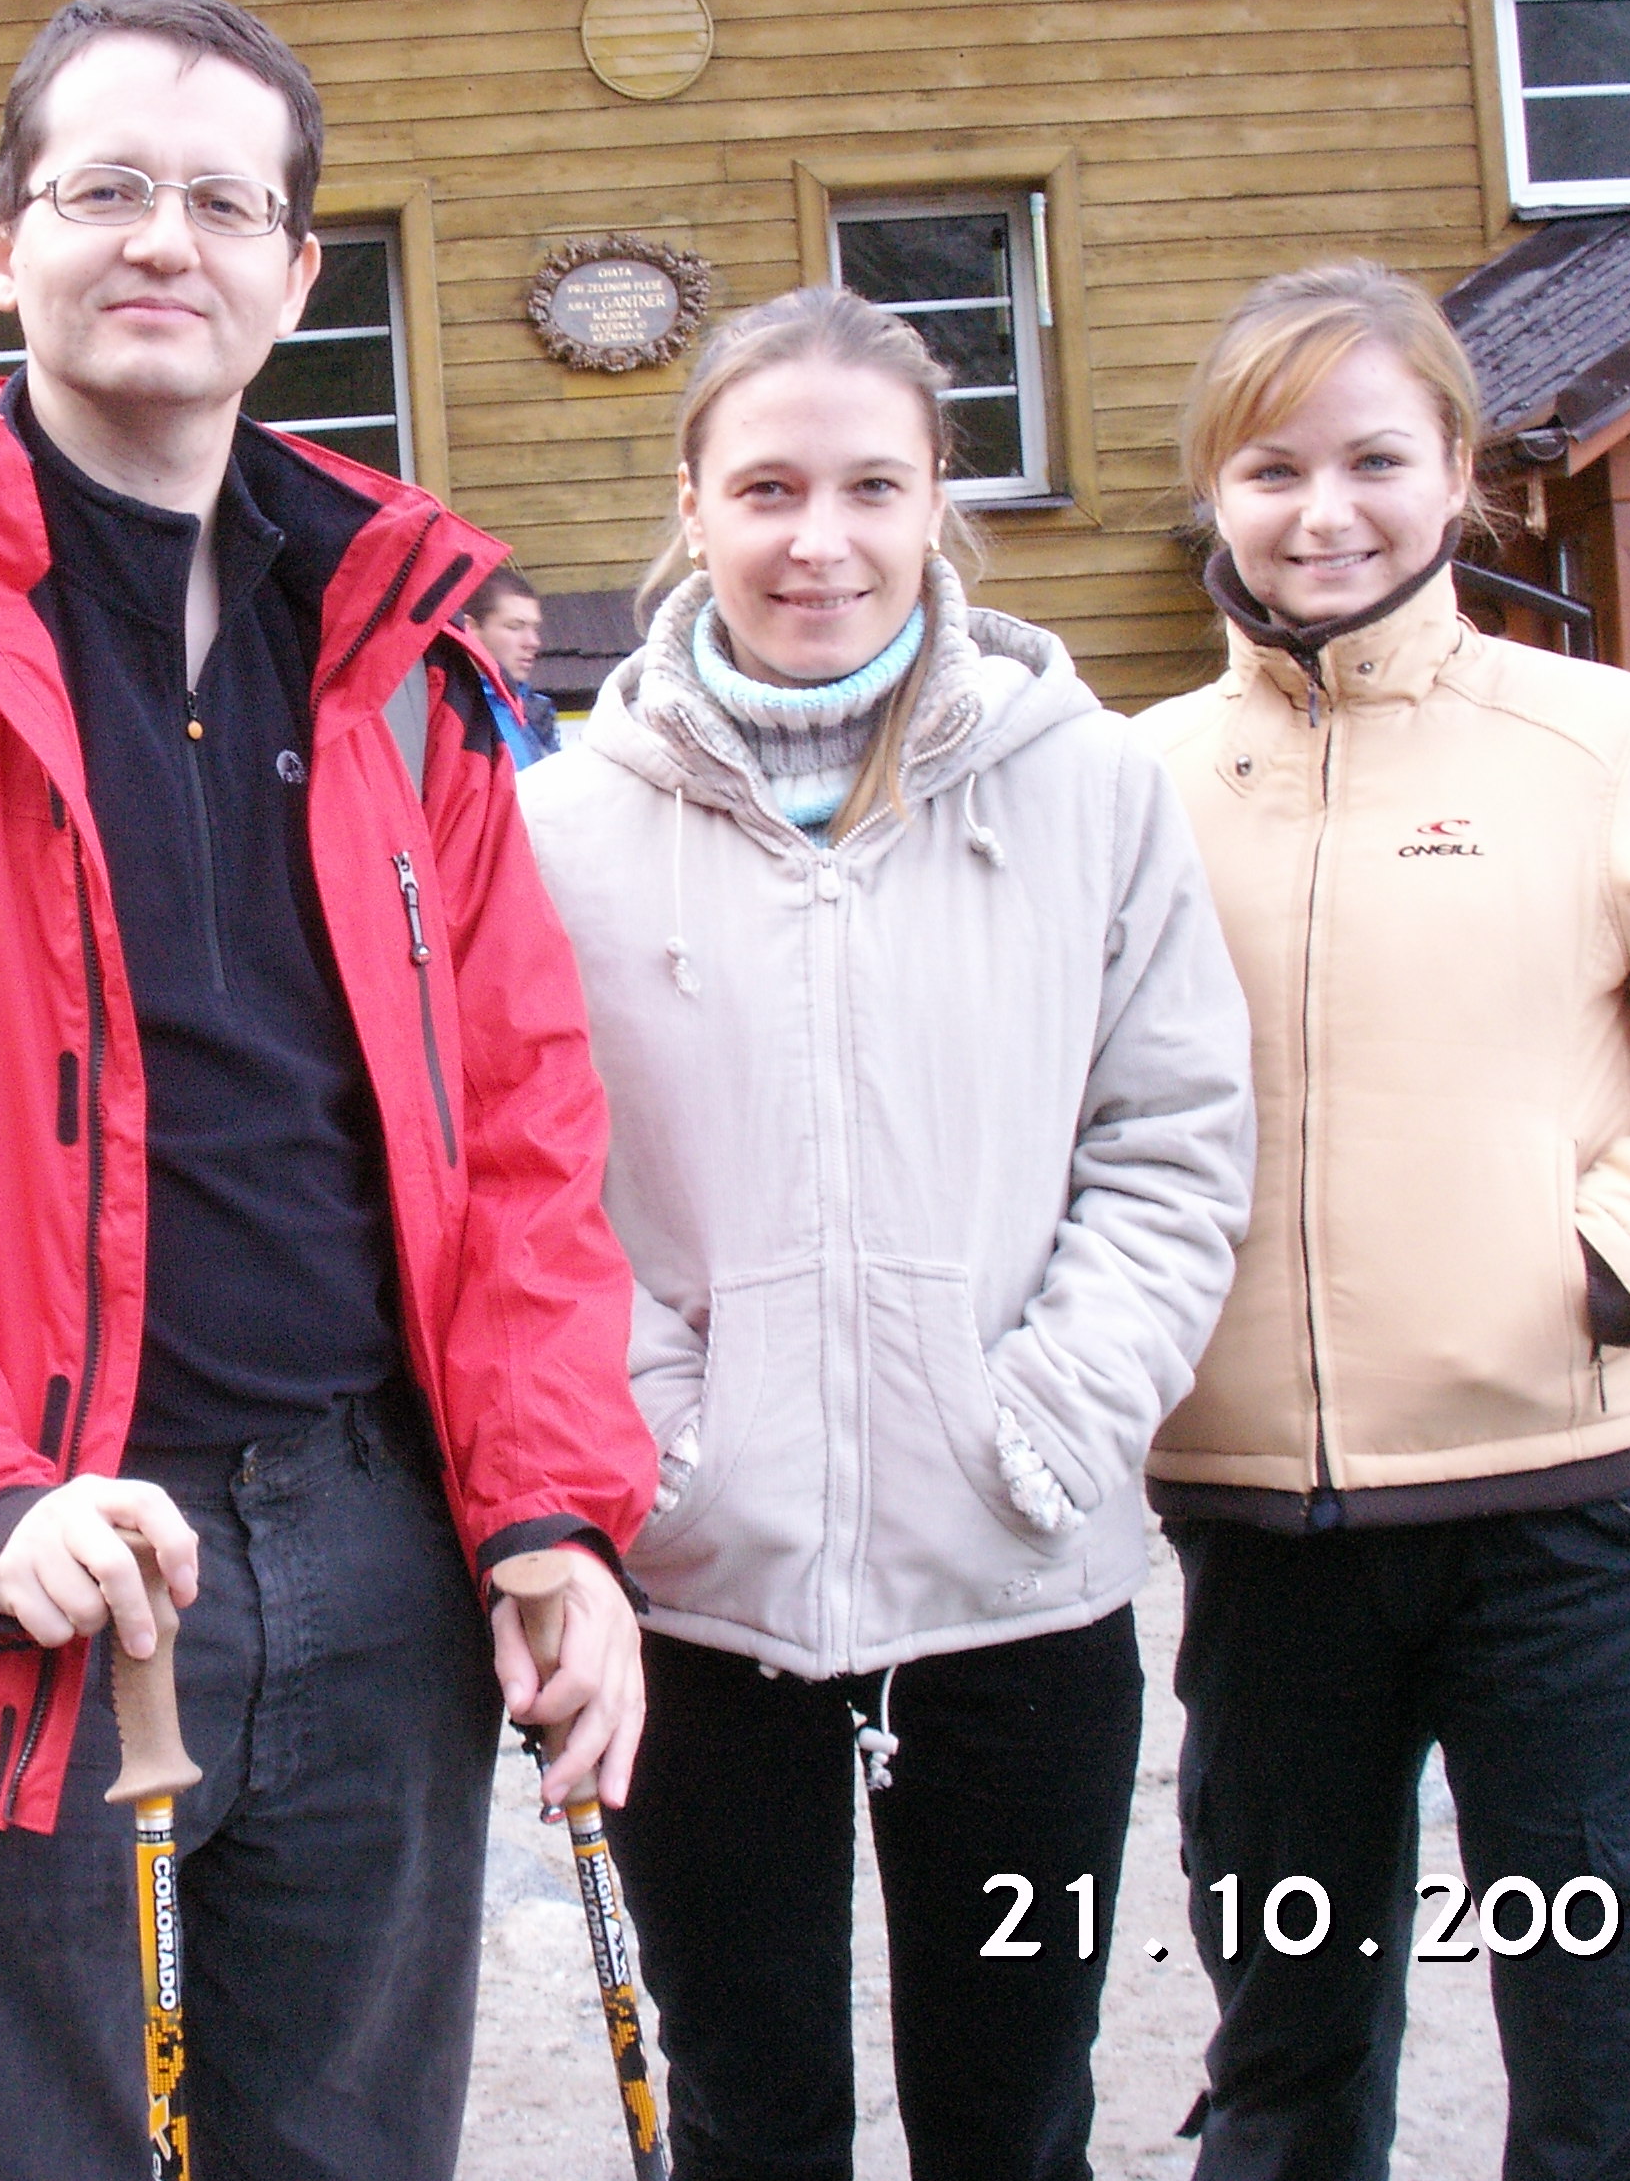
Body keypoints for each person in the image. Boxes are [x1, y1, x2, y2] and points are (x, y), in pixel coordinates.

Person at [0, 0, 656, 2181]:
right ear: (3, 244)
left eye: (221, 200)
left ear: (296, 273)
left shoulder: (403, 654)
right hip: (39, 1560)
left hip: (378, 1555)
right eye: (103, 187)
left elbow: (519, 1128)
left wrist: (550, 1505)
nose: (161, 238)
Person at [1135, 262, 1630, 2181]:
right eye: (1269, 467)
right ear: (1211, 489)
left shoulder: (1600, 744)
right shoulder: (1131, 786)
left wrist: (1605, 1260)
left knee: (1614, 2062)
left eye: (1371, 459)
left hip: (1567, 1528)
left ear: (1454, 470)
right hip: (1260, 1551)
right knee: (1282, 2074)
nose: (1321, 510)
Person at [518, 285, 1256, 2181]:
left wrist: (1042, 1419)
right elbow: (530, 1190)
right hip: (697, 1600)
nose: (817, 540)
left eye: (869, 486)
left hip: (1017, 1589)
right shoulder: (560, 830)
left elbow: (1169, 1142)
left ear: (938, 499)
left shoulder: (1091, 790)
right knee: (750, 2116)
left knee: (1013, 2117)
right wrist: (665, 1447)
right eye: (766, 487)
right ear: (692, 503)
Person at [460, 564, 562, 767]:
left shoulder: (537, 712)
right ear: (470, 629)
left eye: (535, 628)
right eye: (515, 627)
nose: (533, 642)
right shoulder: (445, 713)